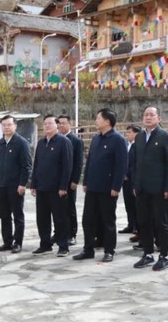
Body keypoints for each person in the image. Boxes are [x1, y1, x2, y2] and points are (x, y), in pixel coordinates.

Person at [74, 108, 128, 263]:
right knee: (88, 220)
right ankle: (88, 249)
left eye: (98, 118)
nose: (96, 121)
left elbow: (121, 165)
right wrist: (85, 181)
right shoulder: (96, 138)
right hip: (93, 186)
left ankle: (109, 250)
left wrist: (116, 186)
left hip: (108, 188)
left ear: (107, 121)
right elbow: (90, 161)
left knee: (107, 221)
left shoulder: (118, 139)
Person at [129, 106, 168, 271]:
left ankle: (164, 256)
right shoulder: (140, 137)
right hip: (142, 188)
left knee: (160, 223)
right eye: (145, 115)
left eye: (151, 115)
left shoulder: (165, 136)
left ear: (159, 118)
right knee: (144, 222)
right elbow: (136, 163)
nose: (148, 117)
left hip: (159, 188)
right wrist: (135, 184)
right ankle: (148, 253)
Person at [29, 115, 73, 257]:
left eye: (50, 123)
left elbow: (67, 166)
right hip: (42, 187)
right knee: (42, 218)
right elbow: (36, 165)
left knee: (60, 219)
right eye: (45, 123)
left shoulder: (63, 141)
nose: (47, 126)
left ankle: (63, 246)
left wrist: (63, 186)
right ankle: (45, 244)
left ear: (57, 126)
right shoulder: (41, 143)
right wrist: (33, 184)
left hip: (57, 189)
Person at [0, 115, 32, 253]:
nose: (6, 127)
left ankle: (18, 242)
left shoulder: (21, 143)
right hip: (1, 185)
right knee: (4, 215)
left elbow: (26, 166)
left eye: (9, 125)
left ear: (15, 126)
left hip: (15, 186)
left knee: (17, 215)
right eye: (4, 125)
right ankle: (7, 242)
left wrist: (23, 183)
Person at [57, 115, 85, 246]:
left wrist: (75, 180)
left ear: (70, 124)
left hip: (69, 181)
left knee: (69, 208)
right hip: (57, 180)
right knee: (58, 209)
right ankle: (59, 232)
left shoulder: (76, 141)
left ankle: (72, 234)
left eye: (64, 123)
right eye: (59, 123)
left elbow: (78, 162)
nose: (61, 125)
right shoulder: (56, 139)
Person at [120, 125, 141, 236]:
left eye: (129, 132)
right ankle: (131, 224)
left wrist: (128, 174)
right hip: (125, 180)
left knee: (135, 204)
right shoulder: (127, 145)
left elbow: (135, 164)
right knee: (128, 203)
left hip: (133, 179)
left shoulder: (138, 146)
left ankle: (137, 226)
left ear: (136, 134)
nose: (127, 134)